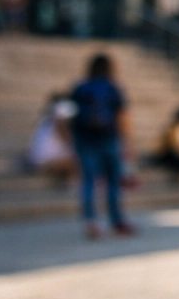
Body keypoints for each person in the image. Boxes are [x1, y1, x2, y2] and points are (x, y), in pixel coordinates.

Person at [70, 53, 135, 238]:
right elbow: (122, 116)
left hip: (85, 139)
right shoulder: (112, 87)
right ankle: (116, 220)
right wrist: (128, 142)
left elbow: (69, 116)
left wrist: (72, 141)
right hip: (109, 138)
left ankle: (91, 220)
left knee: (89, 181)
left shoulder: (80, 87)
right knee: (113, 181)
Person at [28, 92, 77, 184]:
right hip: (45, 160)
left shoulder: (48, 119)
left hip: (44, 158)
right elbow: (66, 136)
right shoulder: (58, 119)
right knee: (83, 159)